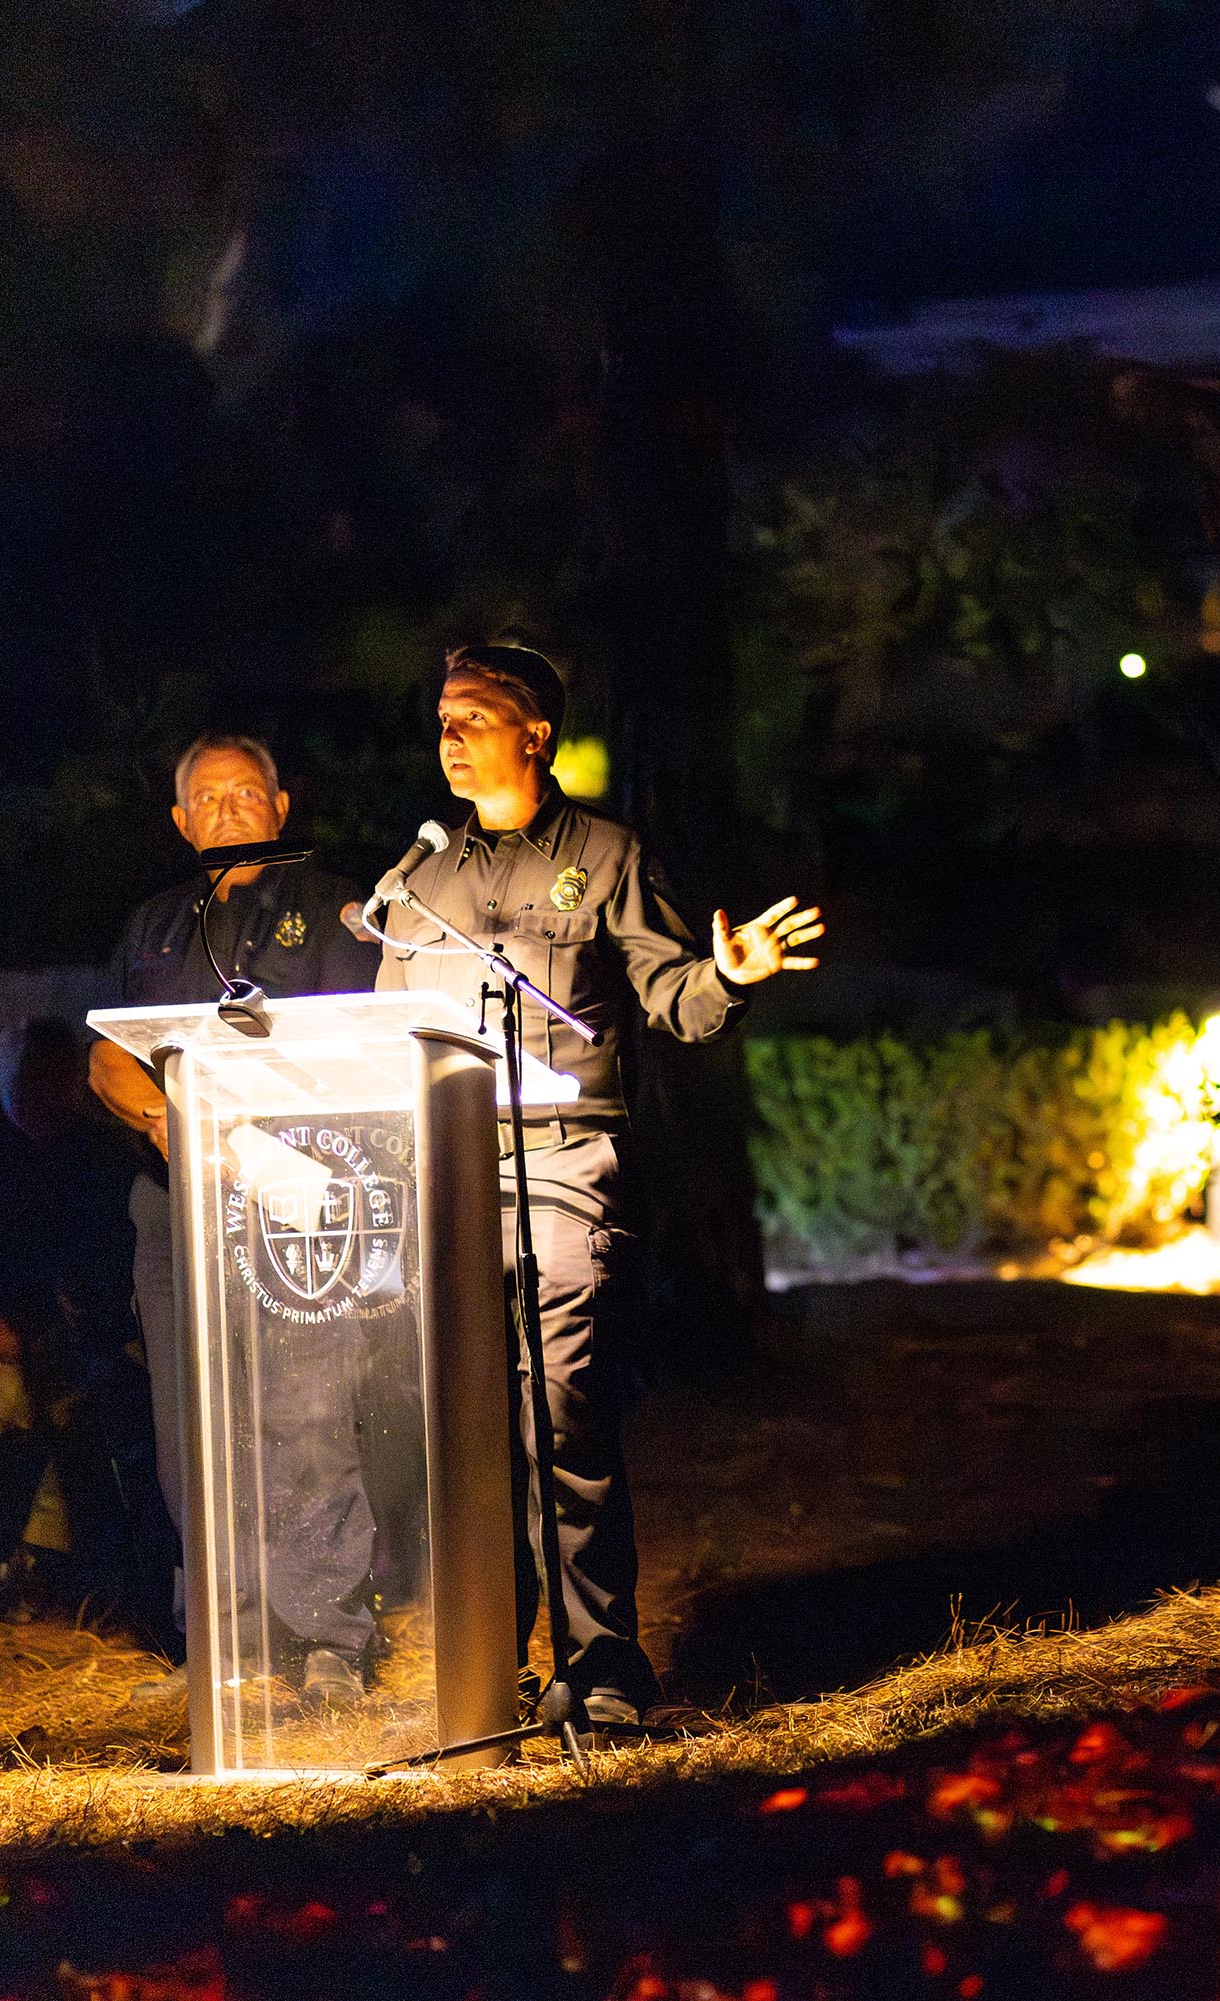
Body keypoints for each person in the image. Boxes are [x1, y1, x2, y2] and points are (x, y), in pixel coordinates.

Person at [373, 641, 823, 1735]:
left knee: (559, 1417)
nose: (450, 737)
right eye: (441, 718)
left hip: (566, 1164)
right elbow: (384, 1033)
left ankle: (602, 1671)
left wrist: (727, 975)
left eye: (472, 715)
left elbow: (671, 993)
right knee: (468, 1431)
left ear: (535, 732)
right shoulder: (417, 883)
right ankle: (488, 1673)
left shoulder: (609, 854)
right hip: (448, 1176)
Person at [88, 733, 382, 1689]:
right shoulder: (156, 924)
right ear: (179, 821)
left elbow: (366, 1039)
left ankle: (330, 1635)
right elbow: (107, 1058)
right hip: (175, 1201)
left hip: (296, 1202)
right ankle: (226, 1639)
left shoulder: (336, 906)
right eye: (205, 798)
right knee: (192, 1423)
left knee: (304, 1420)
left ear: (281, 803)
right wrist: (178, 1130)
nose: (225, 809)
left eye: (245, 792)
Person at [0, 1015, 170, 1645]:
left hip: (89, 1334)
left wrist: (82, 1330)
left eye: (58, 1077)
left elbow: (120, 1264)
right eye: (30, 1076)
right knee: (24, 1412)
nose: (45, 1091)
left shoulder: (107, 1156)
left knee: (103, 1409)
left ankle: (119, 1586)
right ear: (1, 1076)